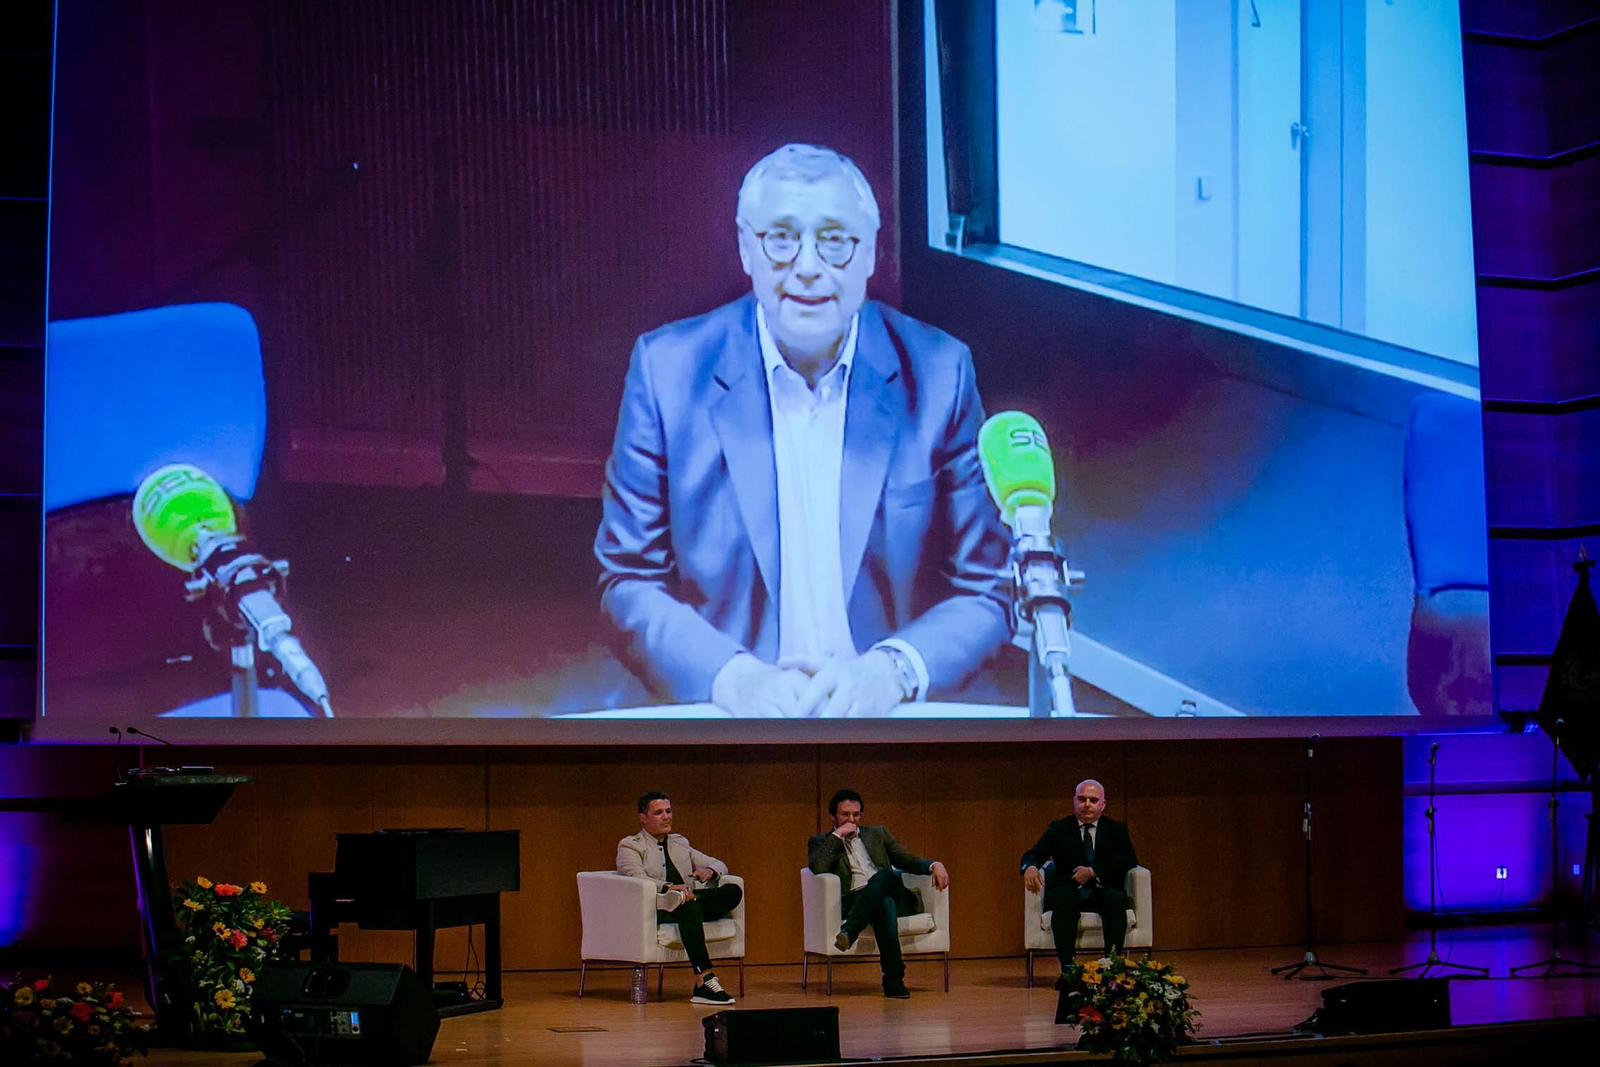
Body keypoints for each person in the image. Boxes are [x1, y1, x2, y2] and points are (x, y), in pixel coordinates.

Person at [594, 142, 1010, 716]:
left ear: (870, 256)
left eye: (835, 240)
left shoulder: (940, 374)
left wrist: (892, 671)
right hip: (727, 719)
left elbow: (990, 588)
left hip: (891, 719)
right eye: (782, 238)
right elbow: (627, 582)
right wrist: (731, 677)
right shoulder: (668, 372)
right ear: (746, 248)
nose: (809, 266)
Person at [806, 788, 950, 998]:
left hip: (892, 893)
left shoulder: (877, 834)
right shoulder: (821, 841)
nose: (851, 819)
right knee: (884, 904)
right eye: (845, 815)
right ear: (833, 817)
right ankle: (894, 981)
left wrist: (934, 865)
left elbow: (905, 859)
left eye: (856, 814)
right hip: (856, 900)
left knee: (886, 876)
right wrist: (837, 836)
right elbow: (818, 867)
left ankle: (850, 930)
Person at [616, 791, 741, 1005]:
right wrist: (670, 887)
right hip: (659, 908)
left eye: (668, 811)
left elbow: (719, 863)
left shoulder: (679, 842)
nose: (666, 817)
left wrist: (709, 871)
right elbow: (635, 878)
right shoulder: (630, 846)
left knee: (733, 890)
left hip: (688, 902)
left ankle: (694, 901)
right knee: (688, 906)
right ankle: (704, 980)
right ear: (643, 818)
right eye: (658, 813)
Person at [1020, 779, 1138, 969]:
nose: (1087, 805)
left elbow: (1129, 859)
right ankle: (1068, 969)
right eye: (1082, 799)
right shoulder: (1059, 828)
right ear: (1074, 801)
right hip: (1070, 889)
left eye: (1093, 800)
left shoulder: (1116, 829)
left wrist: (1093, 871)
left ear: (1103, 804)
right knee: (1062, 898)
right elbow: (1035, 853)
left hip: (1103, 888)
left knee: (1116, 899)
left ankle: (1112, 966)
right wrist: (1030, 867)